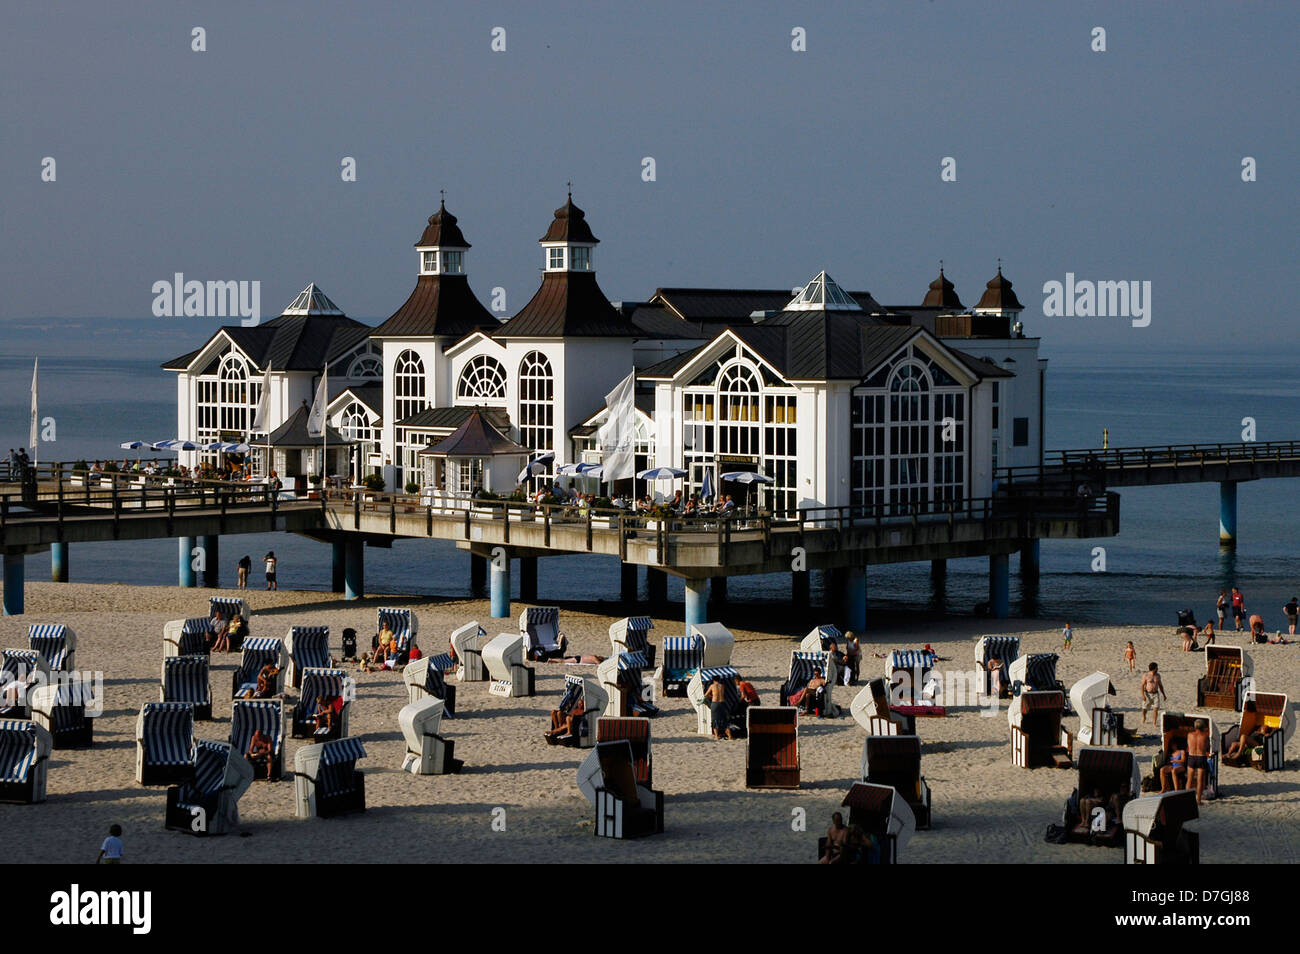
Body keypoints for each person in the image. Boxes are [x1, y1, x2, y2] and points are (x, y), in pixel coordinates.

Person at [1185, 720, 1210, 804]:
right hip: (1201, 757)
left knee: (1189, 780)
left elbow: (1188, 745)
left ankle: (1188, 799)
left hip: (1191, 756)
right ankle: (1198, 800)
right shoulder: (1205, 736)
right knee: (1200, 780)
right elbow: (1207, 747)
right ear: (1203, 727)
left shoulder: (1189, 735)